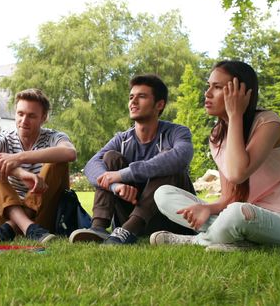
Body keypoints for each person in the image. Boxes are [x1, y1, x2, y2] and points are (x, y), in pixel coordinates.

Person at [150, 60, 280, 252]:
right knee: (163, 194)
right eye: (209, 86)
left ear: (242, 93)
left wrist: (235, 115)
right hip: (246, 215)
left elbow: (239, 173)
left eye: (218, 87)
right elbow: (231, 196)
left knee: (237, 214)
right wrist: (208, 209)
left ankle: (195, 241)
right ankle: (239, 242)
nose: (207, 93)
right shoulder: (217, 136)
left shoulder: (269, 124)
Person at [70, 74, 196, 245]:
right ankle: (98, 228)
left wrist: (124, 174)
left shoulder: (177, 132)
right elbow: (91, 165)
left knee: (167, 160)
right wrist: (116, 185)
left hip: (168, 219)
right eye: (131, 97)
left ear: (159, 104)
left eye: (141, 96)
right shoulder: (122, 139)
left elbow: (181, 157)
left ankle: (129, 230)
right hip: (127, 214)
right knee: (110, 158)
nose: (133, 102)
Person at [0, 88, 77, 243]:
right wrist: (20, 173)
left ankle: (15, 226)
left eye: (31, 116)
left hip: (44, 217)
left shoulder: (54, 137)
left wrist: (18, 158)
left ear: (44, 117)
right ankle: (27, 227)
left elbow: (70, 153)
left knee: (57, 161)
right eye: (20, 114)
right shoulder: (4, 139)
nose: (24, 121)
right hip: (9, 213)